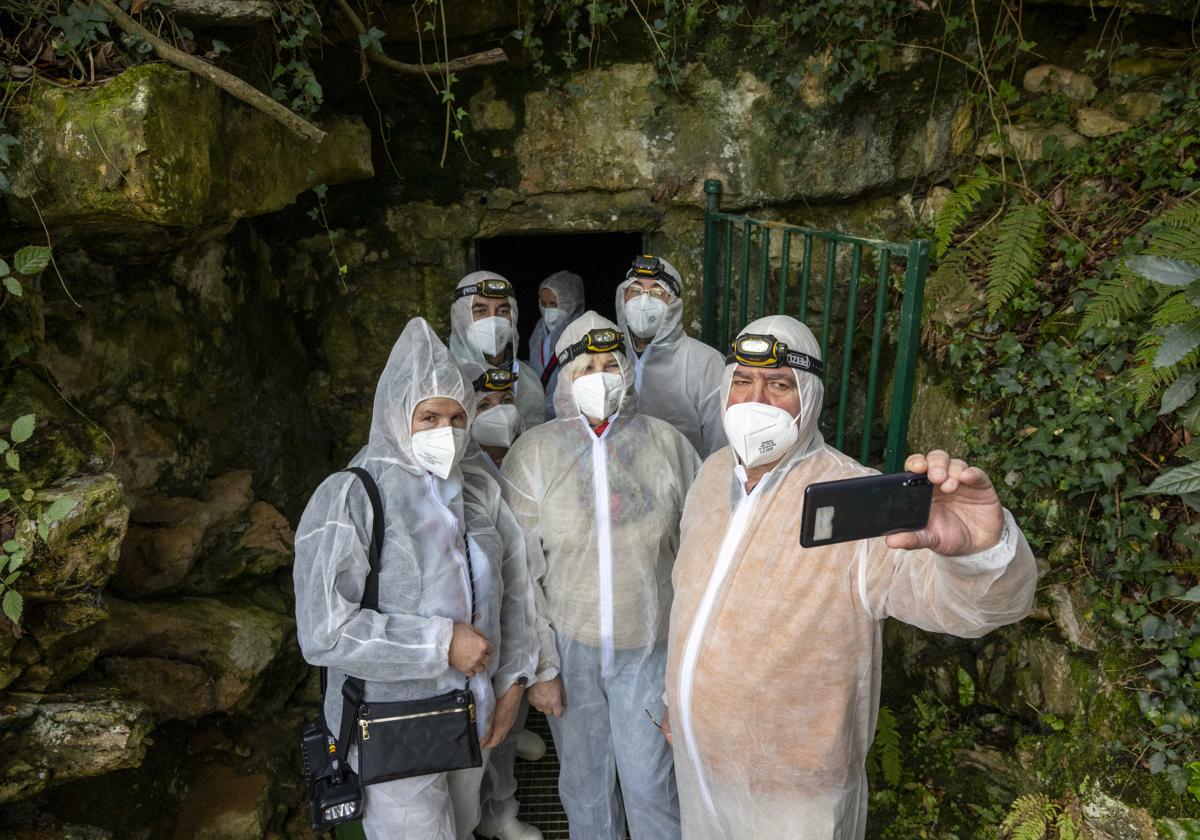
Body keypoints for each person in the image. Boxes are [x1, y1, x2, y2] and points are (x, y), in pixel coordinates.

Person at [662, 315, 1038, 840]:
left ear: (810, 398)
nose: (756, 401)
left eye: (779, 384)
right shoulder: (709, 476)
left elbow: (974, 609)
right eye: (742, 381)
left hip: (797, 798)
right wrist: (673, 703)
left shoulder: (857, 499)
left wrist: (978, 552)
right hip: (699, 766)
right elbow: (689, 604)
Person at [293, 318, 539, 840]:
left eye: (456, 417)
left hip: (470, 714)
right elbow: (324, 630)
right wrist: (440, 643)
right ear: (395, 414)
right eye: (428, 416)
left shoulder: (478, 493)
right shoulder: (350, 497)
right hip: (392, 727)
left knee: (465, 823)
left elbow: (514, 591)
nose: (444, 432)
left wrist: (513, 683)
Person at [500, 311, 701, 840]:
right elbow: (519, 578)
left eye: (612, 363)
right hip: (571, 650)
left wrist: (686, 666)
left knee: (653, 785)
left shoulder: (669, 447)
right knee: (585, 787)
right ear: (563, 378)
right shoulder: (534, 456)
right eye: (587, 366)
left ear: (629, 371)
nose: (602, 374)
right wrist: (541, 668)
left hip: (649, 649)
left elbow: (698, 557)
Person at [613, 255, 727, 458]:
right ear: (623, 298)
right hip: (621, 484)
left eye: (657, 292)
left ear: (673, 304)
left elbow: (721, 449)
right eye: (636, 290)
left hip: (685, 484)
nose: (644, 301)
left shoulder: (706, 363)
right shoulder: (609, 357)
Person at [450, 270, 546, 430]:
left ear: (513, 316)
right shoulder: (447, 380)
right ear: (461, 318)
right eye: (481, 311)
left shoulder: (529, 380)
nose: (493, 320)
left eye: (503, 311)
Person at [526, 270, 586, 419]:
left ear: (570, 303)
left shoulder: (582, 333)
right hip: (541, 414)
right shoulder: (539, 330)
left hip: (573, 416)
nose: (548, 310)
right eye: (543, 304)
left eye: (554, 304)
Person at [460, 361, 525, 473]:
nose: (500, 411)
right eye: (484, 405)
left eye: (506, 401)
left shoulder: (533, 455)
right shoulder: (463, 474)